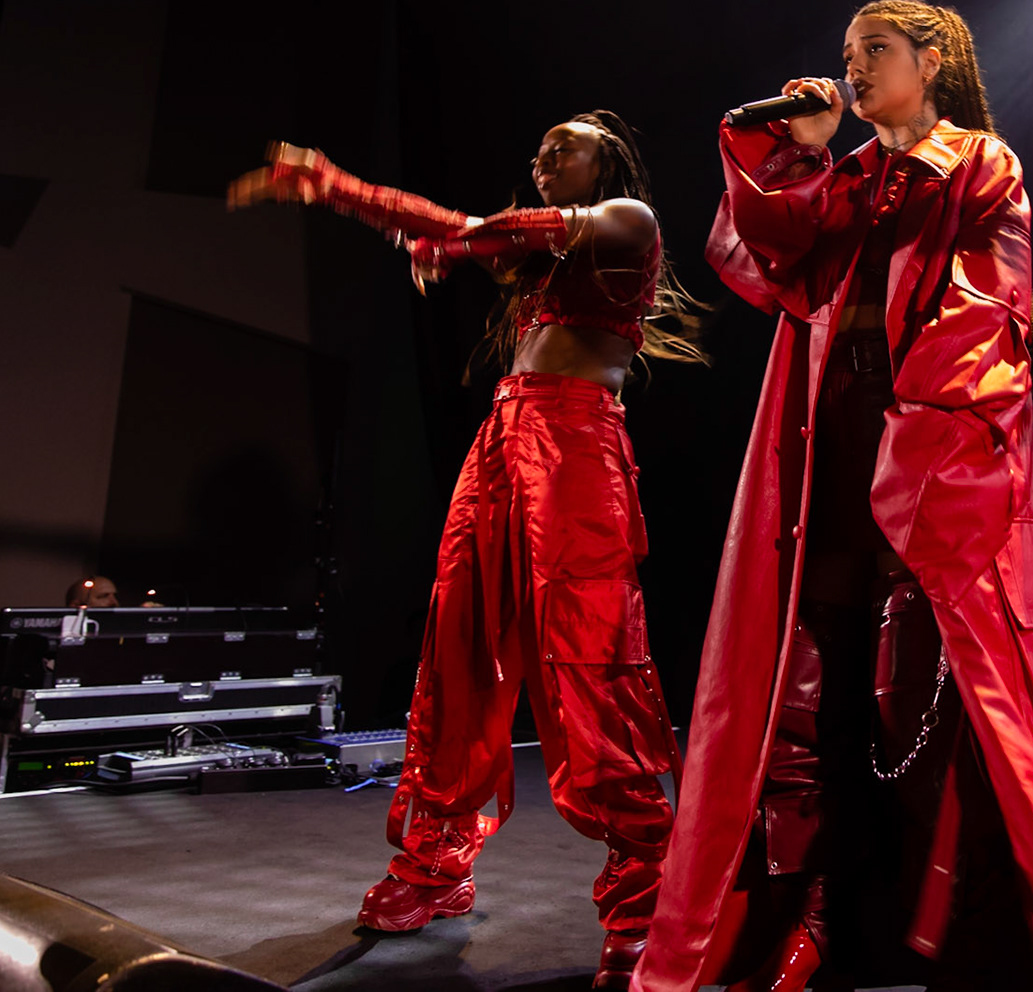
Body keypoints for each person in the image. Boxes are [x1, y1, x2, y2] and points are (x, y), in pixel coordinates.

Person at [636, 0, 1033, 992]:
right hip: (835, 441)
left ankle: (968, 939)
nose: (851, 66)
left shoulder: (978, 160)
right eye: (844, 53)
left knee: (940, 702)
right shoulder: (849, 177)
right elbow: (772, 239)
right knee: (827, 681)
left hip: (936, 457)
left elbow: (986, 304)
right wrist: (788, 146)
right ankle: (833, 919)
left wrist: (922, 434)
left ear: (931, 62)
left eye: (871, 51)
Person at [228, 112, 701, 989]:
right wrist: (438, 242)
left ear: (610, 159)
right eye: (541, 148)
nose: (544, 156)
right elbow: (465, 241)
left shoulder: (628, 217)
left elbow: (470, 231)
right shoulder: (544, 263)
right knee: (456, 652)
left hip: (577, 448)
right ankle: (432, 867)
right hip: (502, 442)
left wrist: (336, 185)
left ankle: (645, 891)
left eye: (567, 144)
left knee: (589, 659)